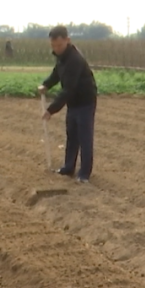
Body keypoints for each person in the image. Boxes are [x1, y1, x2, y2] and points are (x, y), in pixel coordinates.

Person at [39, 25, 98, 183]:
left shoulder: (75, 60)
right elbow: (57, 73)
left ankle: (84, 173)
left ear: (67, 40)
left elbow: (68, 89)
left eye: (59, 45)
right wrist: (46, 85)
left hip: (85, 101)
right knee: (72, 135)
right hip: (73, 103)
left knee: (84, 137)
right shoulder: (62, 58)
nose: (56, 49)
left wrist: (51, 110)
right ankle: (68, 167)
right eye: (53, 46)